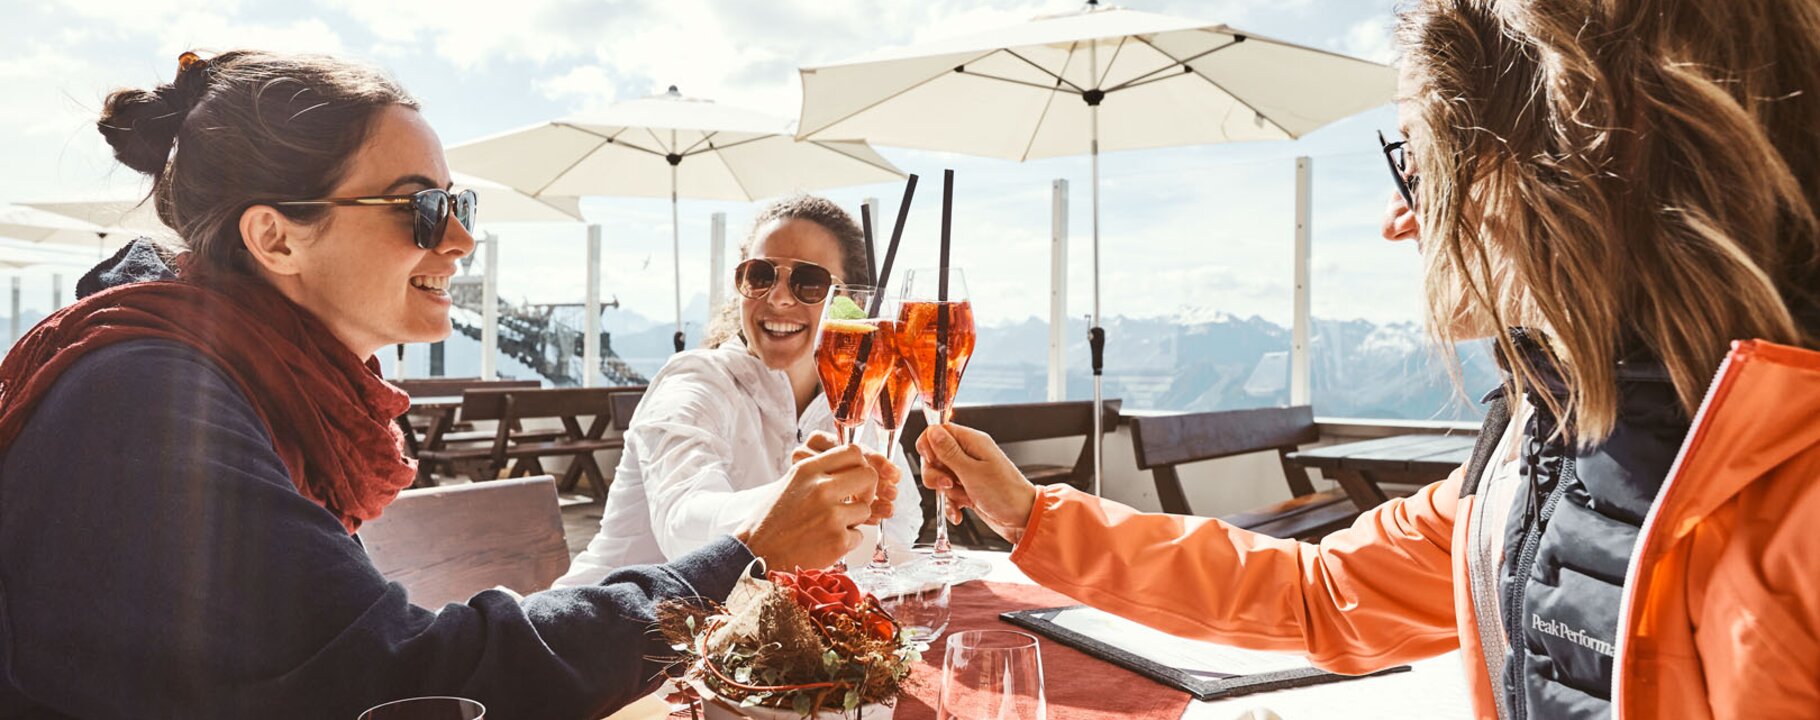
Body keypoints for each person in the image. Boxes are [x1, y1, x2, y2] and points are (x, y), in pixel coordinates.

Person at [910, 1, 1820, 718]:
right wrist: (1029, 512)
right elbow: (1323, 591)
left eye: (1418, 172)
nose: (1398, 219)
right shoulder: (1535, 452)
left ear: (1553, 169)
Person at [0, 50, 886, 720]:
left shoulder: (240, 382)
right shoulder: (151, 406)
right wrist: (745, 556)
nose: (461, 242)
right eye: (424, 208)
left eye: (461, 208)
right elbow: (412, 681)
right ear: (276, 238)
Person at [557, 196, 923, 587]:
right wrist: (798, 499)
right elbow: (683, 525)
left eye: (809, 282)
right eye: (761, 275)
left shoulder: (854, 399)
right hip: (609, 627)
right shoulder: (695, 380)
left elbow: (900, 525)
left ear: (849, 303)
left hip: (742, 636)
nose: (779, 297)